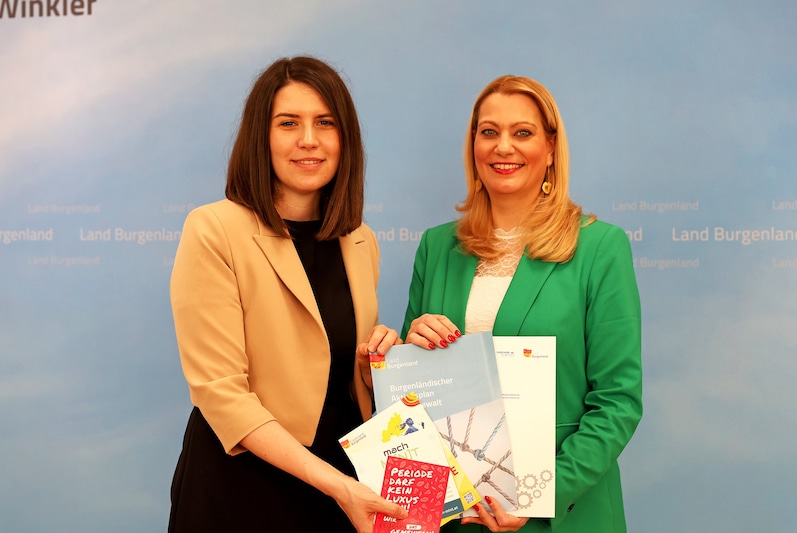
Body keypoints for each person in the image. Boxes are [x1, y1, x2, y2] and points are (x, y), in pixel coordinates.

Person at [168, 56, 407, 533]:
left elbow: (341, 379)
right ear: (262, 136)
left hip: (343, 490)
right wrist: (337, 485)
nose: (308, 140)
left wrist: (378, 363)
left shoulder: (361, 240)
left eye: (325, 123)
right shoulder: (214, 229)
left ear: (345, 140)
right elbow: (222, 395)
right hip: (244, 489)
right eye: (288, 123)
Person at [401, 75, 642, 532]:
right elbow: (415, 394)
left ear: (551, 148)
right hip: (455, 518)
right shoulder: (436, 247)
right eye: (488, 132)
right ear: (473, 145)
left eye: (523, 133)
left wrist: (538, 496)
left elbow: (617, 402)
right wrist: (408, 347)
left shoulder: (600, 248)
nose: (503, 147)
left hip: (561, 515)